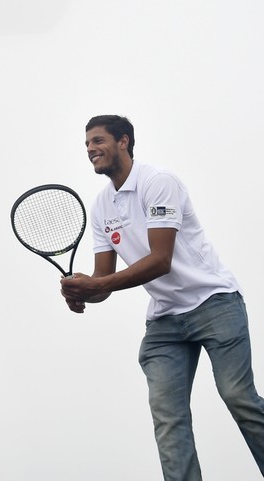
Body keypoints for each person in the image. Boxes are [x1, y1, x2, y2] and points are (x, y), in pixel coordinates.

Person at [60, 115, 264, 480]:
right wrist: (83, 290)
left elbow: (160, 261)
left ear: (124, 142)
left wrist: (96, 286)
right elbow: (103, 280)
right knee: (168, 420)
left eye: (98, 140)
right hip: (165, 322)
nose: (90, 149)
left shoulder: (158, 183)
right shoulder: (102, 207)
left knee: (238, 397)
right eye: (87, 144)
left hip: (214, 303)